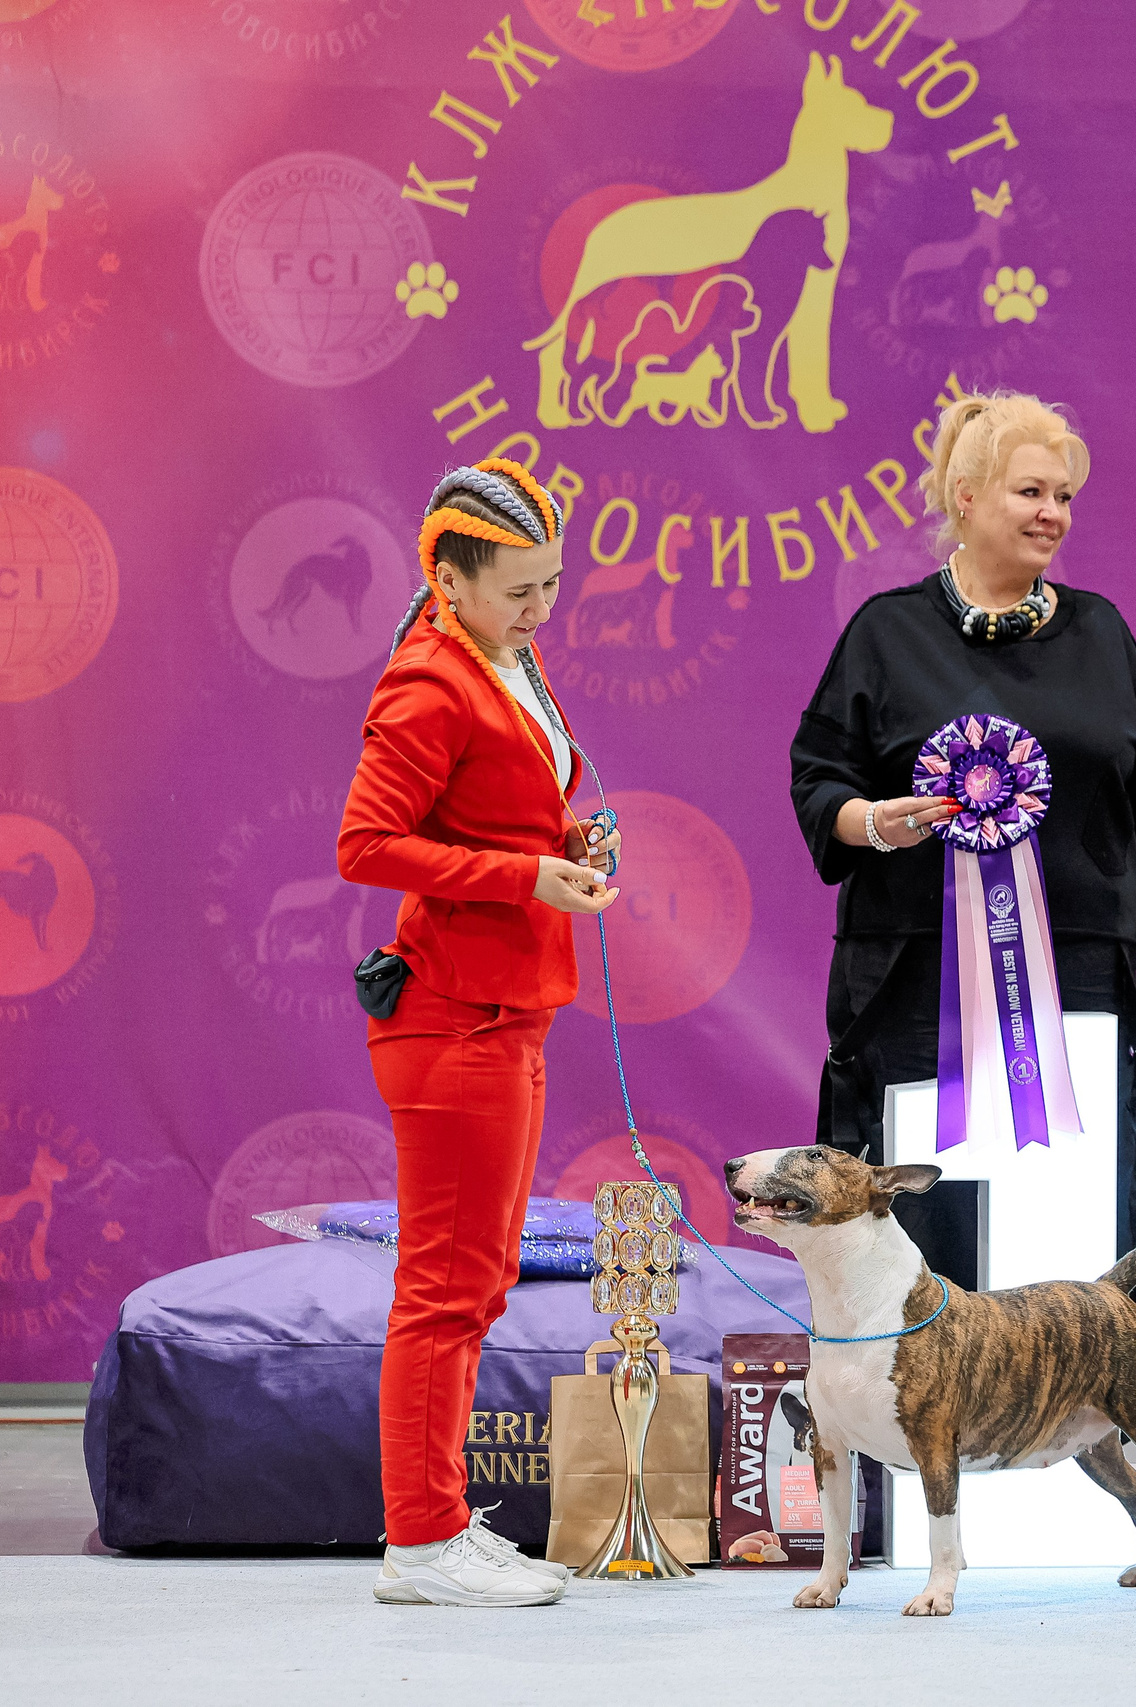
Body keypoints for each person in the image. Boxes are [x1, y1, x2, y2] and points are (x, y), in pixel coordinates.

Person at [790, 391, 1136, 1273]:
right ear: (968, 498)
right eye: (1031, 492)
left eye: (1063, 496)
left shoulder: (1103, 632)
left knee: (1073, 1242)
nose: (1052, 514)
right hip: (913, 988)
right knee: (912, 1247)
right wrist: (871, 821)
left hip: (1085, 982)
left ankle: (1075, 1413)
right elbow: (817, 775)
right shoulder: (886, 633)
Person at [337, 459, 623, 1608]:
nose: (540, 610)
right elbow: (365, 846)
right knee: (446, 1288)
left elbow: (508, 809)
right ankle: (419, 1544)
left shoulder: (510, 657)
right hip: (452, 1018)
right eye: (518, 590)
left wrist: (569, 843)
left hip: (511, 1008)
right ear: (446, 580)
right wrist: (525, 876)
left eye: (552, 586)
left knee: (479, 1277)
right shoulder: (427, 684)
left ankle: (441, 1525)